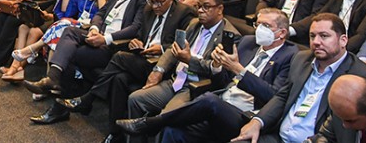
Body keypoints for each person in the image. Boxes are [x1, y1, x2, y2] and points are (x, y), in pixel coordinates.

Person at [115, 8, 297, 143]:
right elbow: (222, 81)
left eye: (266, 26)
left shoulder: (290, 56)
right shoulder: (249, 43)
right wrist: (218, 67)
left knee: (209, 100)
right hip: (220, 103)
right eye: (258, 24)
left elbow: (273, 97)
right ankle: (154, 124)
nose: (259, 29)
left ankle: (150, 123)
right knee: (172, 130)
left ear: (281, 33)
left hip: (246, 115)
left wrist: (239, 70)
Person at [57, 0, 195, 141]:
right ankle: (115, 134)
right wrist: (135, 41)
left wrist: (162, 48)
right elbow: (140, 34)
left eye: (159, 2)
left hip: (162, 66)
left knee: (120, 57)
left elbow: (184, 43)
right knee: (118, 79)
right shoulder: (148, 9)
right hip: (142, 57)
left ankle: (89, 98)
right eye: (151, 1)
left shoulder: (184, 13)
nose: (155, 6)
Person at [25, 0, 149, 124]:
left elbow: (135, 28)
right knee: (69, 31)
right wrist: (95, 28)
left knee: (67, 55)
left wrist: (104, 39)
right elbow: (100, 13)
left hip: (114, 45)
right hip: (100, 34)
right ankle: (53, 78)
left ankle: (59, 107)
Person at [233, 13, 366, 143]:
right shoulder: (301, 59)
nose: (316, 42)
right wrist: (258, 121)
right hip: (279, 136)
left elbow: (347, 128)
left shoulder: (360, 76)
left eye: (324, 36)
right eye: (312, 36)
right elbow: (283, 96)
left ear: (343, 40)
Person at [123, 0, 242, 143]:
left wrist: (189, 59)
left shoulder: (229, 36)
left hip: (194, 88)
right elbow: (174, 50)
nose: (200, 10)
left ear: (220, 9)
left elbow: (218, 71)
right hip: (175, 80)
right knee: (136, 99)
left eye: (206, 7)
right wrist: (158, 70)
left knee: (167, 118)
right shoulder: (194, 24)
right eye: (199, 6)